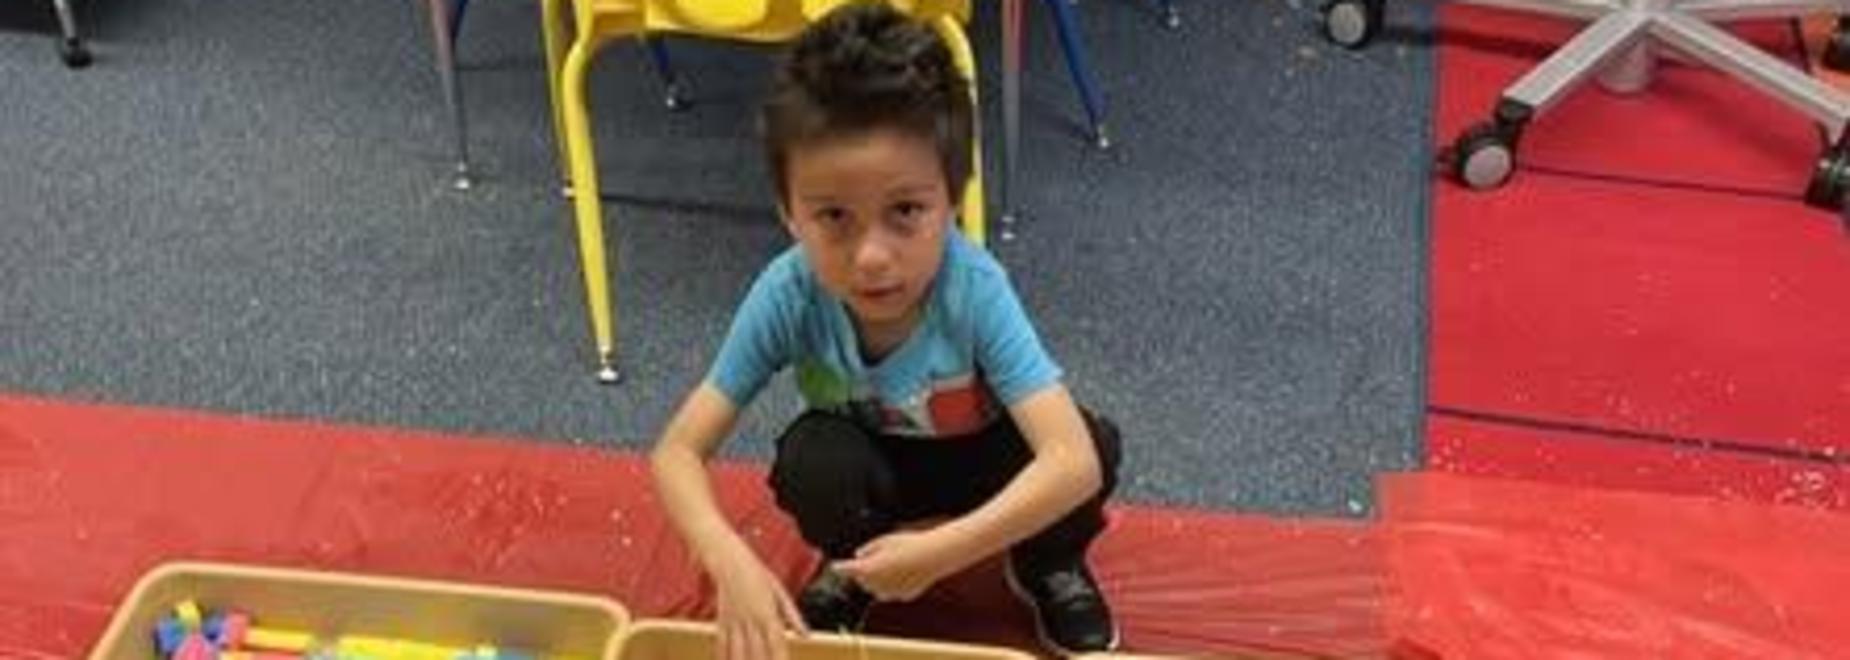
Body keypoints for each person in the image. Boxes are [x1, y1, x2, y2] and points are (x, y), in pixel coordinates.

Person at [648, 3, 1122, 657]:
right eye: (834, 216)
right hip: (879, 465)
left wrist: (942, 552)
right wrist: (728, 560)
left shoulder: (972, 287)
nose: (872, 257)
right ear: (789, 213)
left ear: (952, 200)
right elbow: (676, 451)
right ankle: (856, 569)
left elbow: (1070, 461)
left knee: (1093, 441)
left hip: (984, 455)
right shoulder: (787, 293)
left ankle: (1047, 563)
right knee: (814, 462)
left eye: (905, 211)